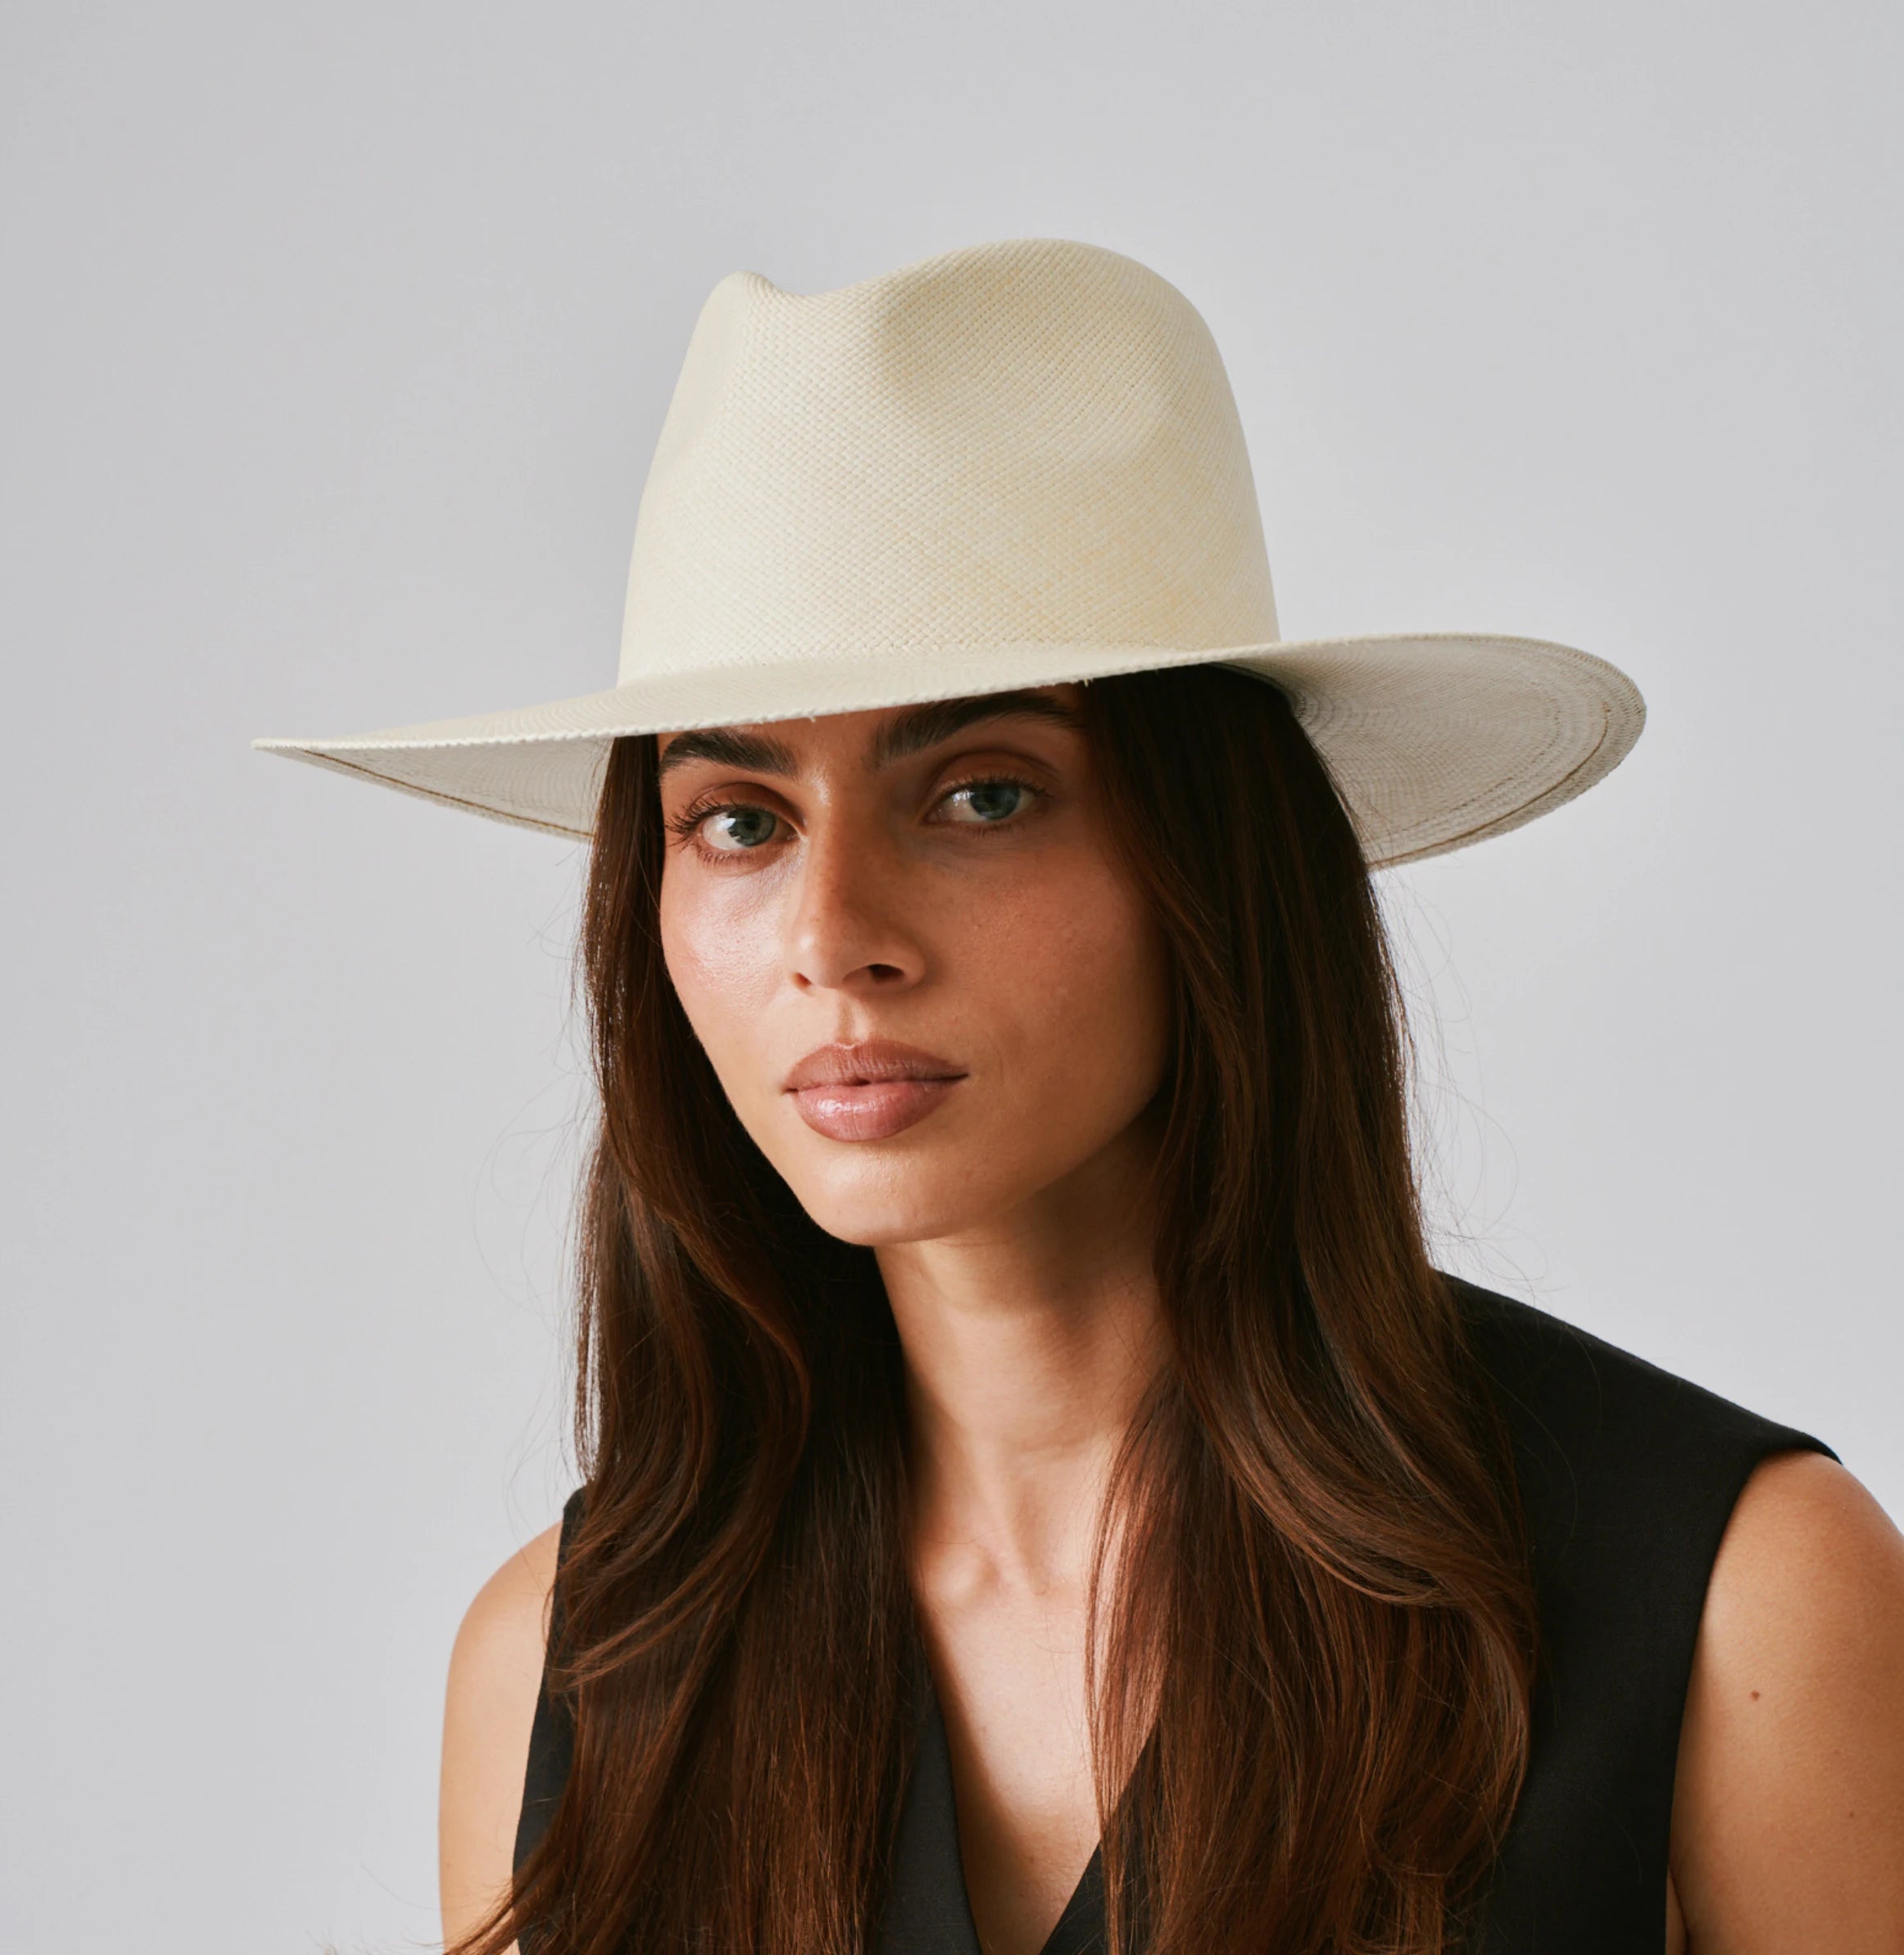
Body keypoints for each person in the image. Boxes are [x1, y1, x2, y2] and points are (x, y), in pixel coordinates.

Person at [257, 238, 1904, 1955]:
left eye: (981, 794)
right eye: (740, 819)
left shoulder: (1733, 1604)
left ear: (1213, 856)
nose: (836, 940)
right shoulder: (573, 1675)